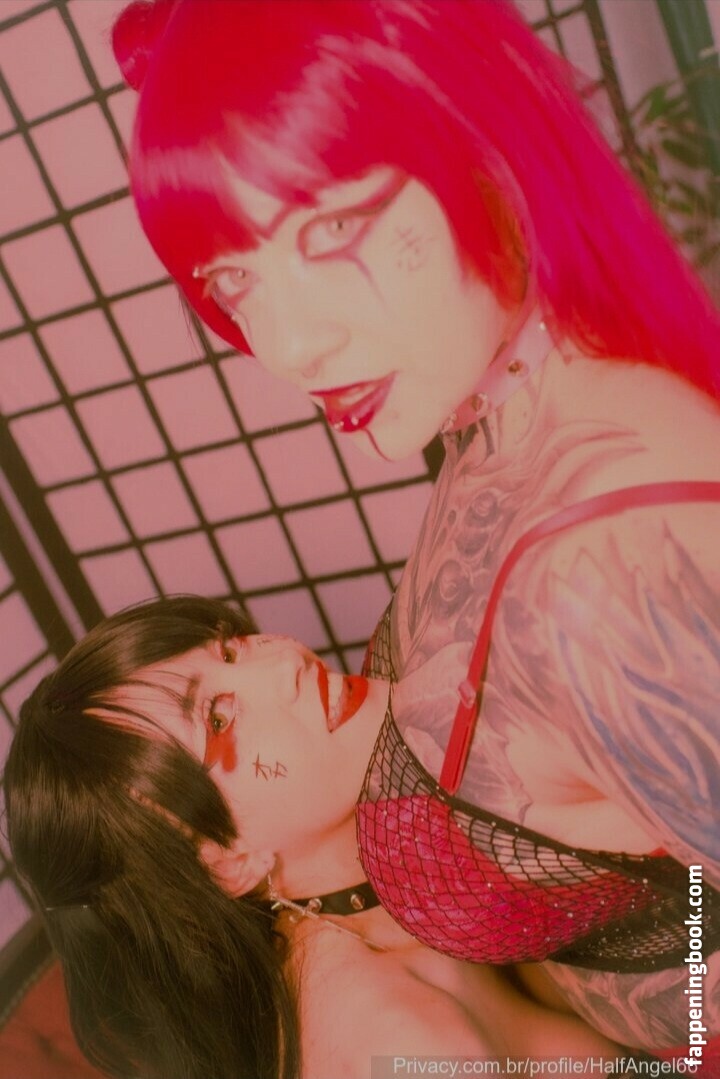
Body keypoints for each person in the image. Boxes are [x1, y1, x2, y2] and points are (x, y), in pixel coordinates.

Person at [110, 0, 720, 1058]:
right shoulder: (491, 413)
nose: (288, 347)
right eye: (234, 279)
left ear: (476, 140)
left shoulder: (609, 568)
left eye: (330, 230)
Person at [4, 596, 630, 1079]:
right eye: (219, 719)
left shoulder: (396, 864)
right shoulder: (398, 1042)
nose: (286, 663)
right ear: (225, 863)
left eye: (230, 649)